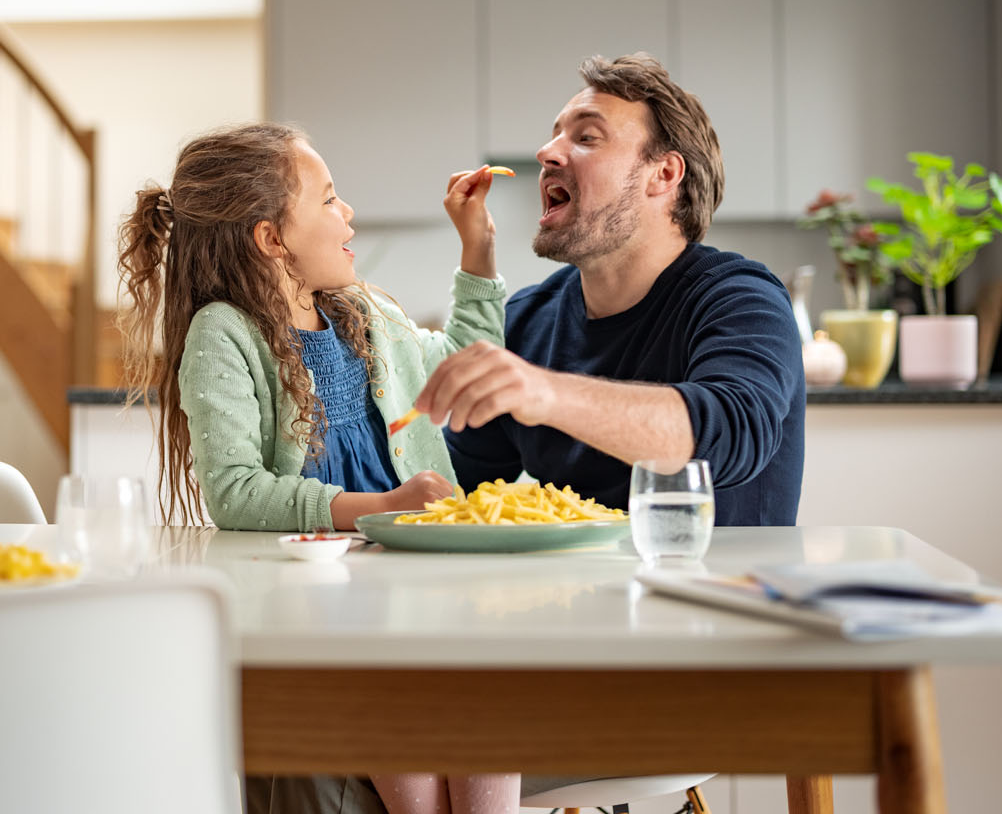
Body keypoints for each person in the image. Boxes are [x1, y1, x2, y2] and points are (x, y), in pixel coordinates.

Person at [116, 121, 520, 814]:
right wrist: (383, 505)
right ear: (272, 239)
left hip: (415, 599)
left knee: (482, 737)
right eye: (329, 199)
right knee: (418, 787)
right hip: (330, 613)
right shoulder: (225, 333)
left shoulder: (361, 312)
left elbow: (464, 363)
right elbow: (236, 492)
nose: (348, 213)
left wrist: (477, 251)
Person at [416, 52, 805, 530]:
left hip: (723, 596)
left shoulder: (741, 299)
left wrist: (544, 392)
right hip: (577, 600)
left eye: (586, 137)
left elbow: (732, 431)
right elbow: (455, 493)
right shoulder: (526, 322)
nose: (546, 152)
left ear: (663, 175)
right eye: (555, 133)